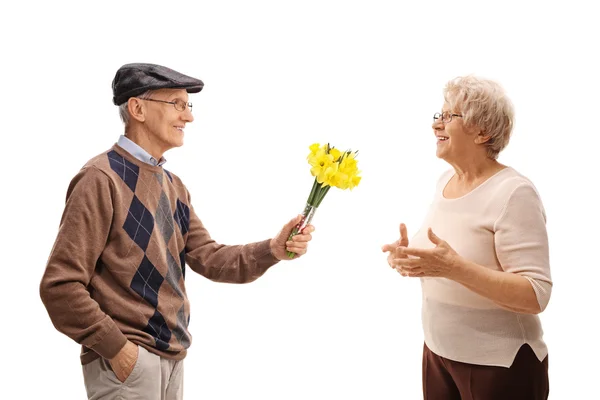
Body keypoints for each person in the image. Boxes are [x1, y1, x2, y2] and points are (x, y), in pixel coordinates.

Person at [40, 63, 315, 400]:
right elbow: (60, 286)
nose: (189, 117)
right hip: (128, 365)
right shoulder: (101, 178)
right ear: (138, 108)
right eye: (177, 104)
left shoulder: (173, 186)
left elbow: (210, 258)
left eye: (188, 105)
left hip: (171, 361)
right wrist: (120, 351)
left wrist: (273, 248)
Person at [382, 75, 552, 399]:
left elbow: (536, 294)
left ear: (482, 132)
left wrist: (452, 269)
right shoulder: (446, 181)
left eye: (449, 116)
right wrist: (407, 257)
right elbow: (442, 258)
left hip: (500, 366)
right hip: (438, 353)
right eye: (438, 115)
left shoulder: (514, 192)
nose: (436, 125)